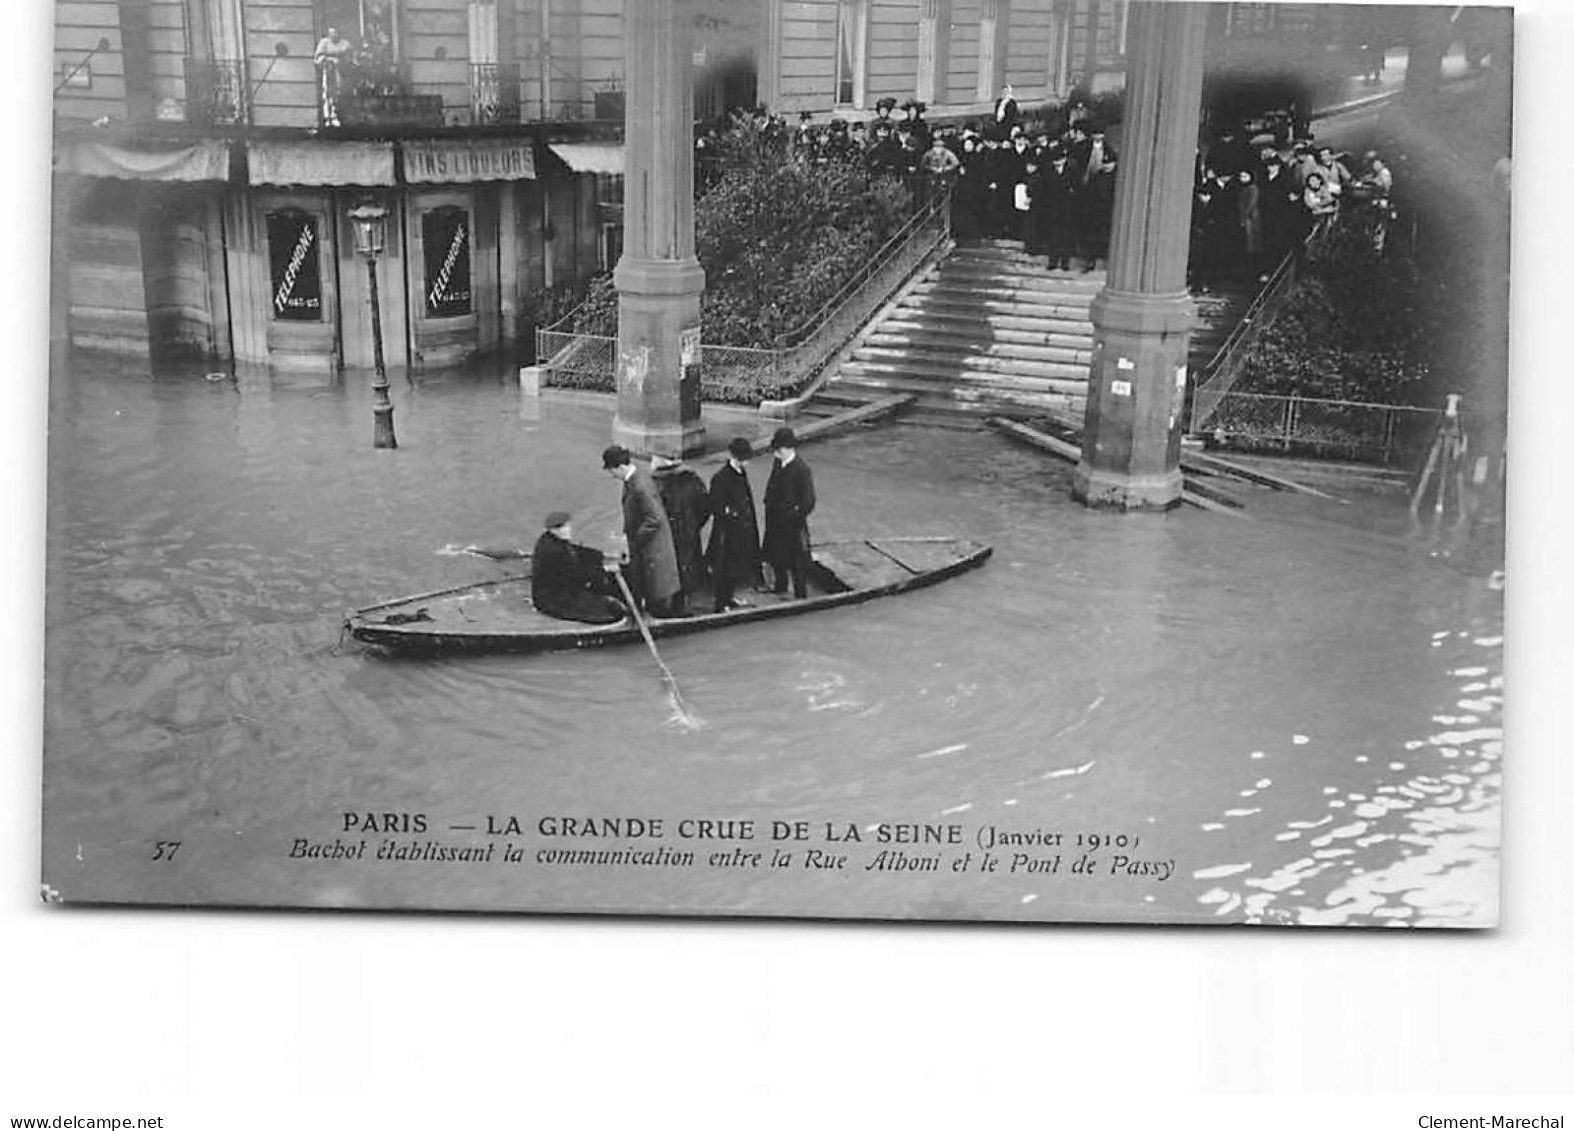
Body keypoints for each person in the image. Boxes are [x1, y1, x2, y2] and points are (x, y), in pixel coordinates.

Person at [601, 445, 683, 618]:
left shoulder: (640, 487)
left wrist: (634, 539)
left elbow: (655, 519)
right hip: (645, 545)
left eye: (612, 471)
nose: (612, 475)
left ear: (621, 468)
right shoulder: (635, 479)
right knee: (647, 585)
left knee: (656, 590)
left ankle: (659, 617)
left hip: (652, 548)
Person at [530, 512, 626, 626]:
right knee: (611, 611)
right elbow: (578, 575)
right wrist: (604, 568)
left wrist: (604, 555)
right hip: (554, 599)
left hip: (558, 592)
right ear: (552, 530)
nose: (568, 530)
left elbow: (578, 551)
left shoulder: (553, 541)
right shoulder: (554, 550)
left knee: (604, 589)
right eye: (562, 528)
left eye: (567, 526)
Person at [706, 437, 763, 613]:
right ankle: (720, 603)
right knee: (724, 569)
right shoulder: (721, 478)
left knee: (733, 568)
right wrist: (732, 514)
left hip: (740, 532)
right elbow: (716, 506)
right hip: (727, 533)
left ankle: (728, 598)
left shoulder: (739, 473)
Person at [650, 452, 710, 616]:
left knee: (666, 571)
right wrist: (693, 525)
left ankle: (663, 608)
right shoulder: (693, 480)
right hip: (688, 533)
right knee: (686, 567)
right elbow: (705, 507)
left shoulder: (655, 484)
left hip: (666, 536)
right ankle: (681, 605)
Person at [761, 427, 816, 599]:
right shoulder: (779, 464)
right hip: (776, 521)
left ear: (785, 449)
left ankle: (801, 594)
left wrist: (794, 514)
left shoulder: (801, 469)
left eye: (777, 450)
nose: (775, 454)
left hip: (793, 525)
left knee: (797, 561)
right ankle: (780, 586)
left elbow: (808, 500)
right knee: (777, 556)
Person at [312, 26, 353, 126]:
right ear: (329, 33)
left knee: (342, 95)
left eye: (337, 32)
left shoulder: (345, 44)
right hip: (329, 74)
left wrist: (343, 61)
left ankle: (343, 118)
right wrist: (329, 60)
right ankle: (329, 118)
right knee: (328, 95)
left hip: (343, 74)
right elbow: (318, 58)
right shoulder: (324, 43)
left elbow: (351, 58)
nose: (335, 35)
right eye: (333, 33)